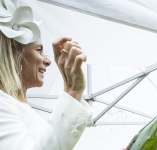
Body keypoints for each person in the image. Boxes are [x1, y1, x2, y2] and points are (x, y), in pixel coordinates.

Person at [0, 1, 91, 150]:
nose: (48, 61)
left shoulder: (20, 110)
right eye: (39, 50)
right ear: (14, 54)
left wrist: (70, 90)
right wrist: (73, 92)